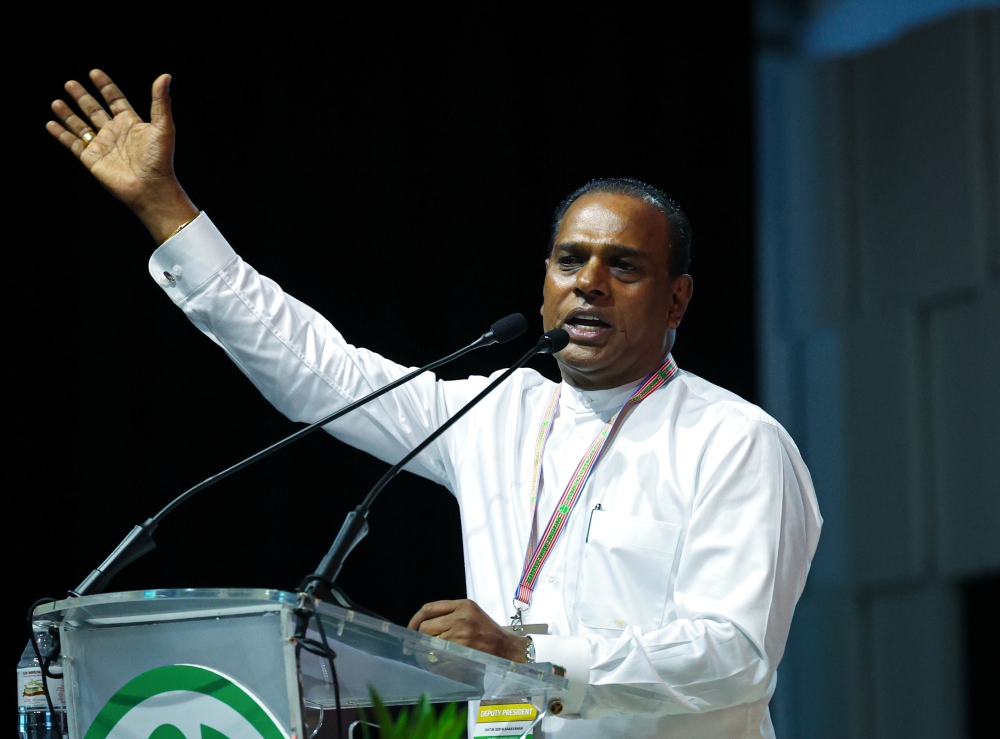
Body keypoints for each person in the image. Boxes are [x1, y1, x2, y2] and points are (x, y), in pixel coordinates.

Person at [46, 70, 822, 739]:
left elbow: (733, 655)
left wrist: (527, 653)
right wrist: (167, 211)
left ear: (677, 298)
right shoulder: (496, 410)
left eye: (623, 266)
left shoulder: (736, 441)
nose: (589, 281)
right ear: (544, 279)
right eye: (569, 260)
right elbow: (320, 372)